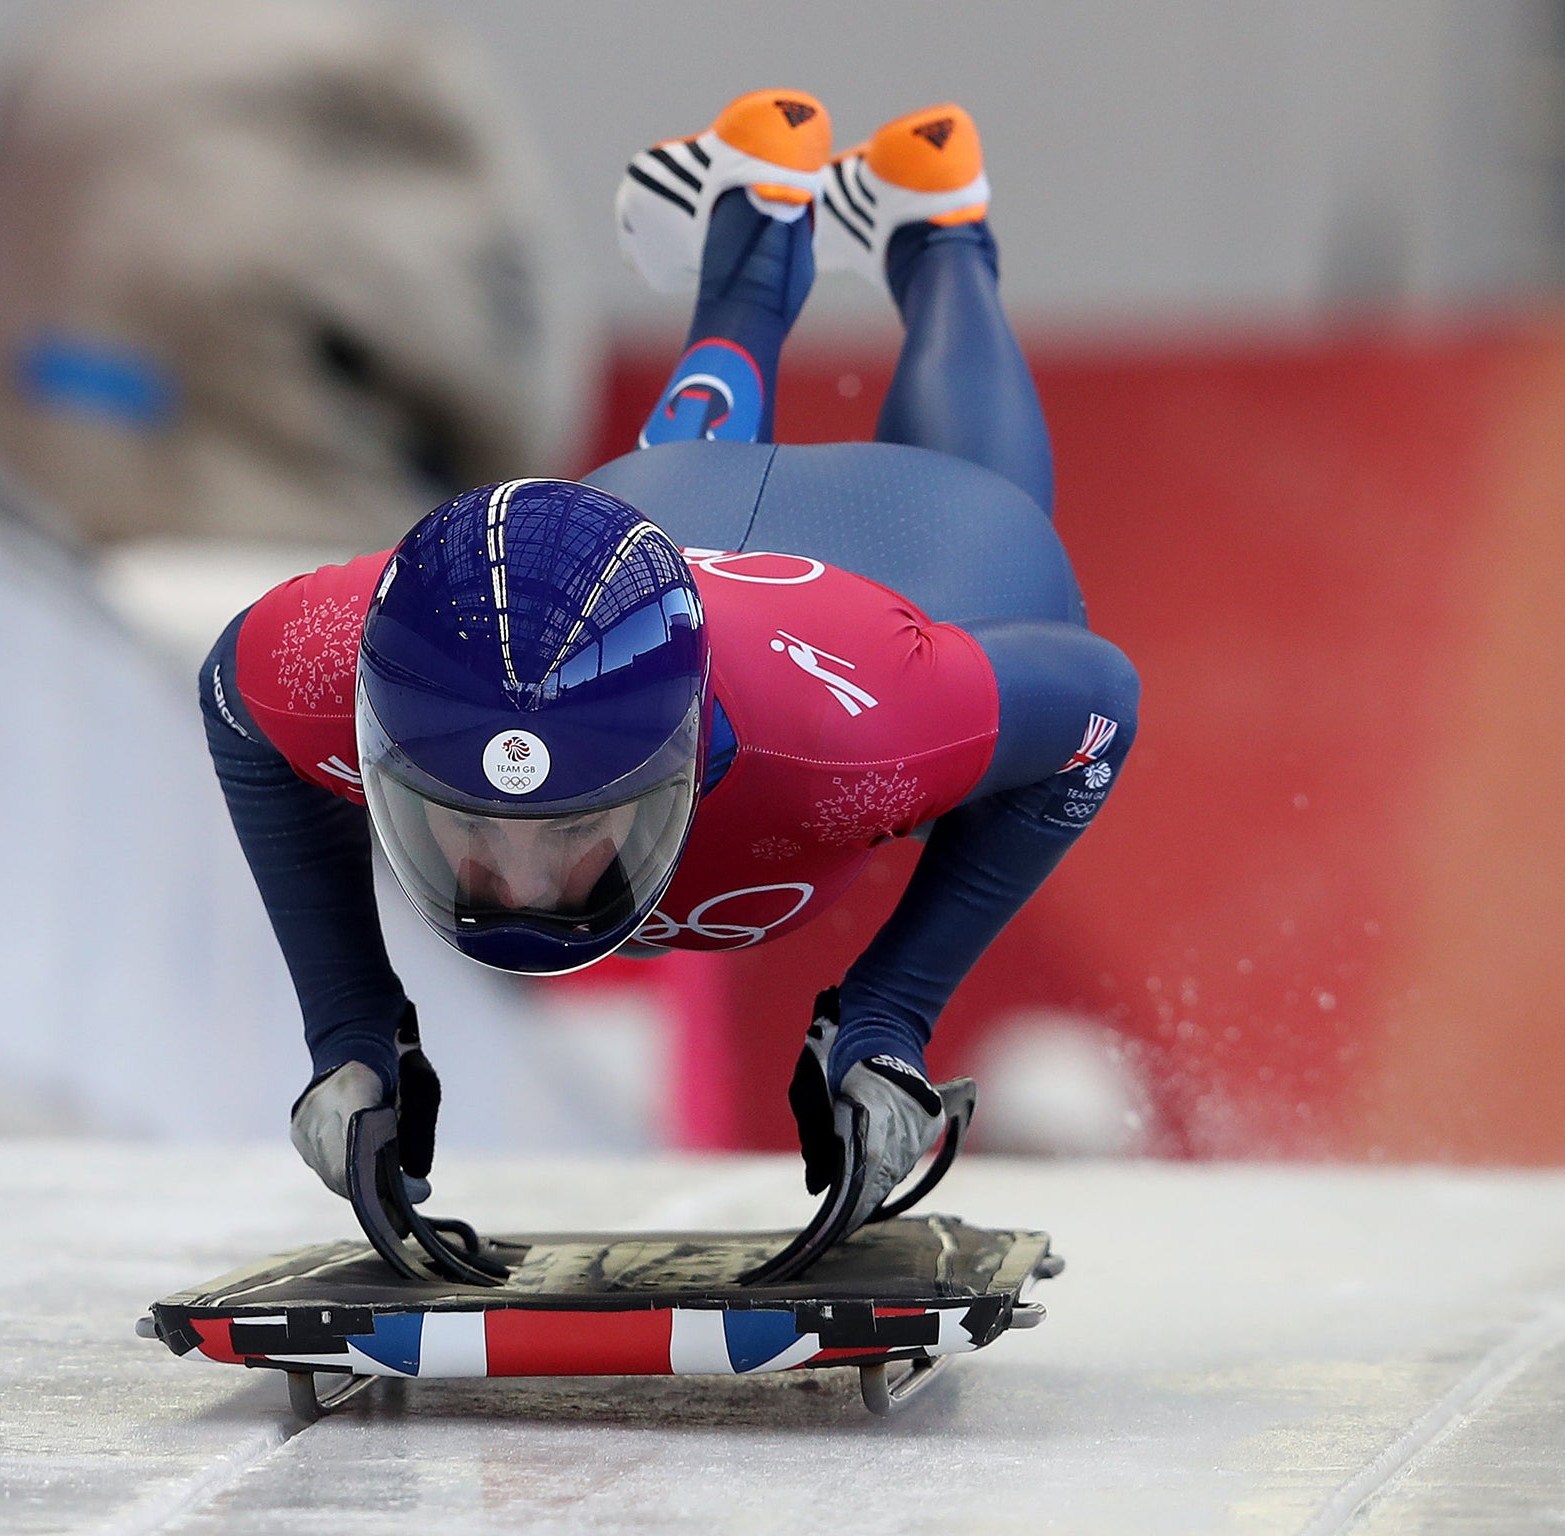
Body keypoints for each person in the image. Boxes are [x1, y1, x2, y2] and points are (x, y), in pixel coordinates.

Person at [201, 91, 1139, 1225]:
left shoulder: (864, 728)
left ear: (684, 764)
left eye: (567, 832)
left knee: (1004, 535)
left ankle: (936, 224)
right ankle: (790, 207)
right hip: (664, 521)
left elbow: (1097, 706)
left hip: (913, 559)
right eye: (468, 827)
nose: (519, 890)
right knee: (654, 498)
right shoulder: (334, 657)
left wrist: (888, 1013)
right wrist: (351, 1027)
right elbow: (232, 698)